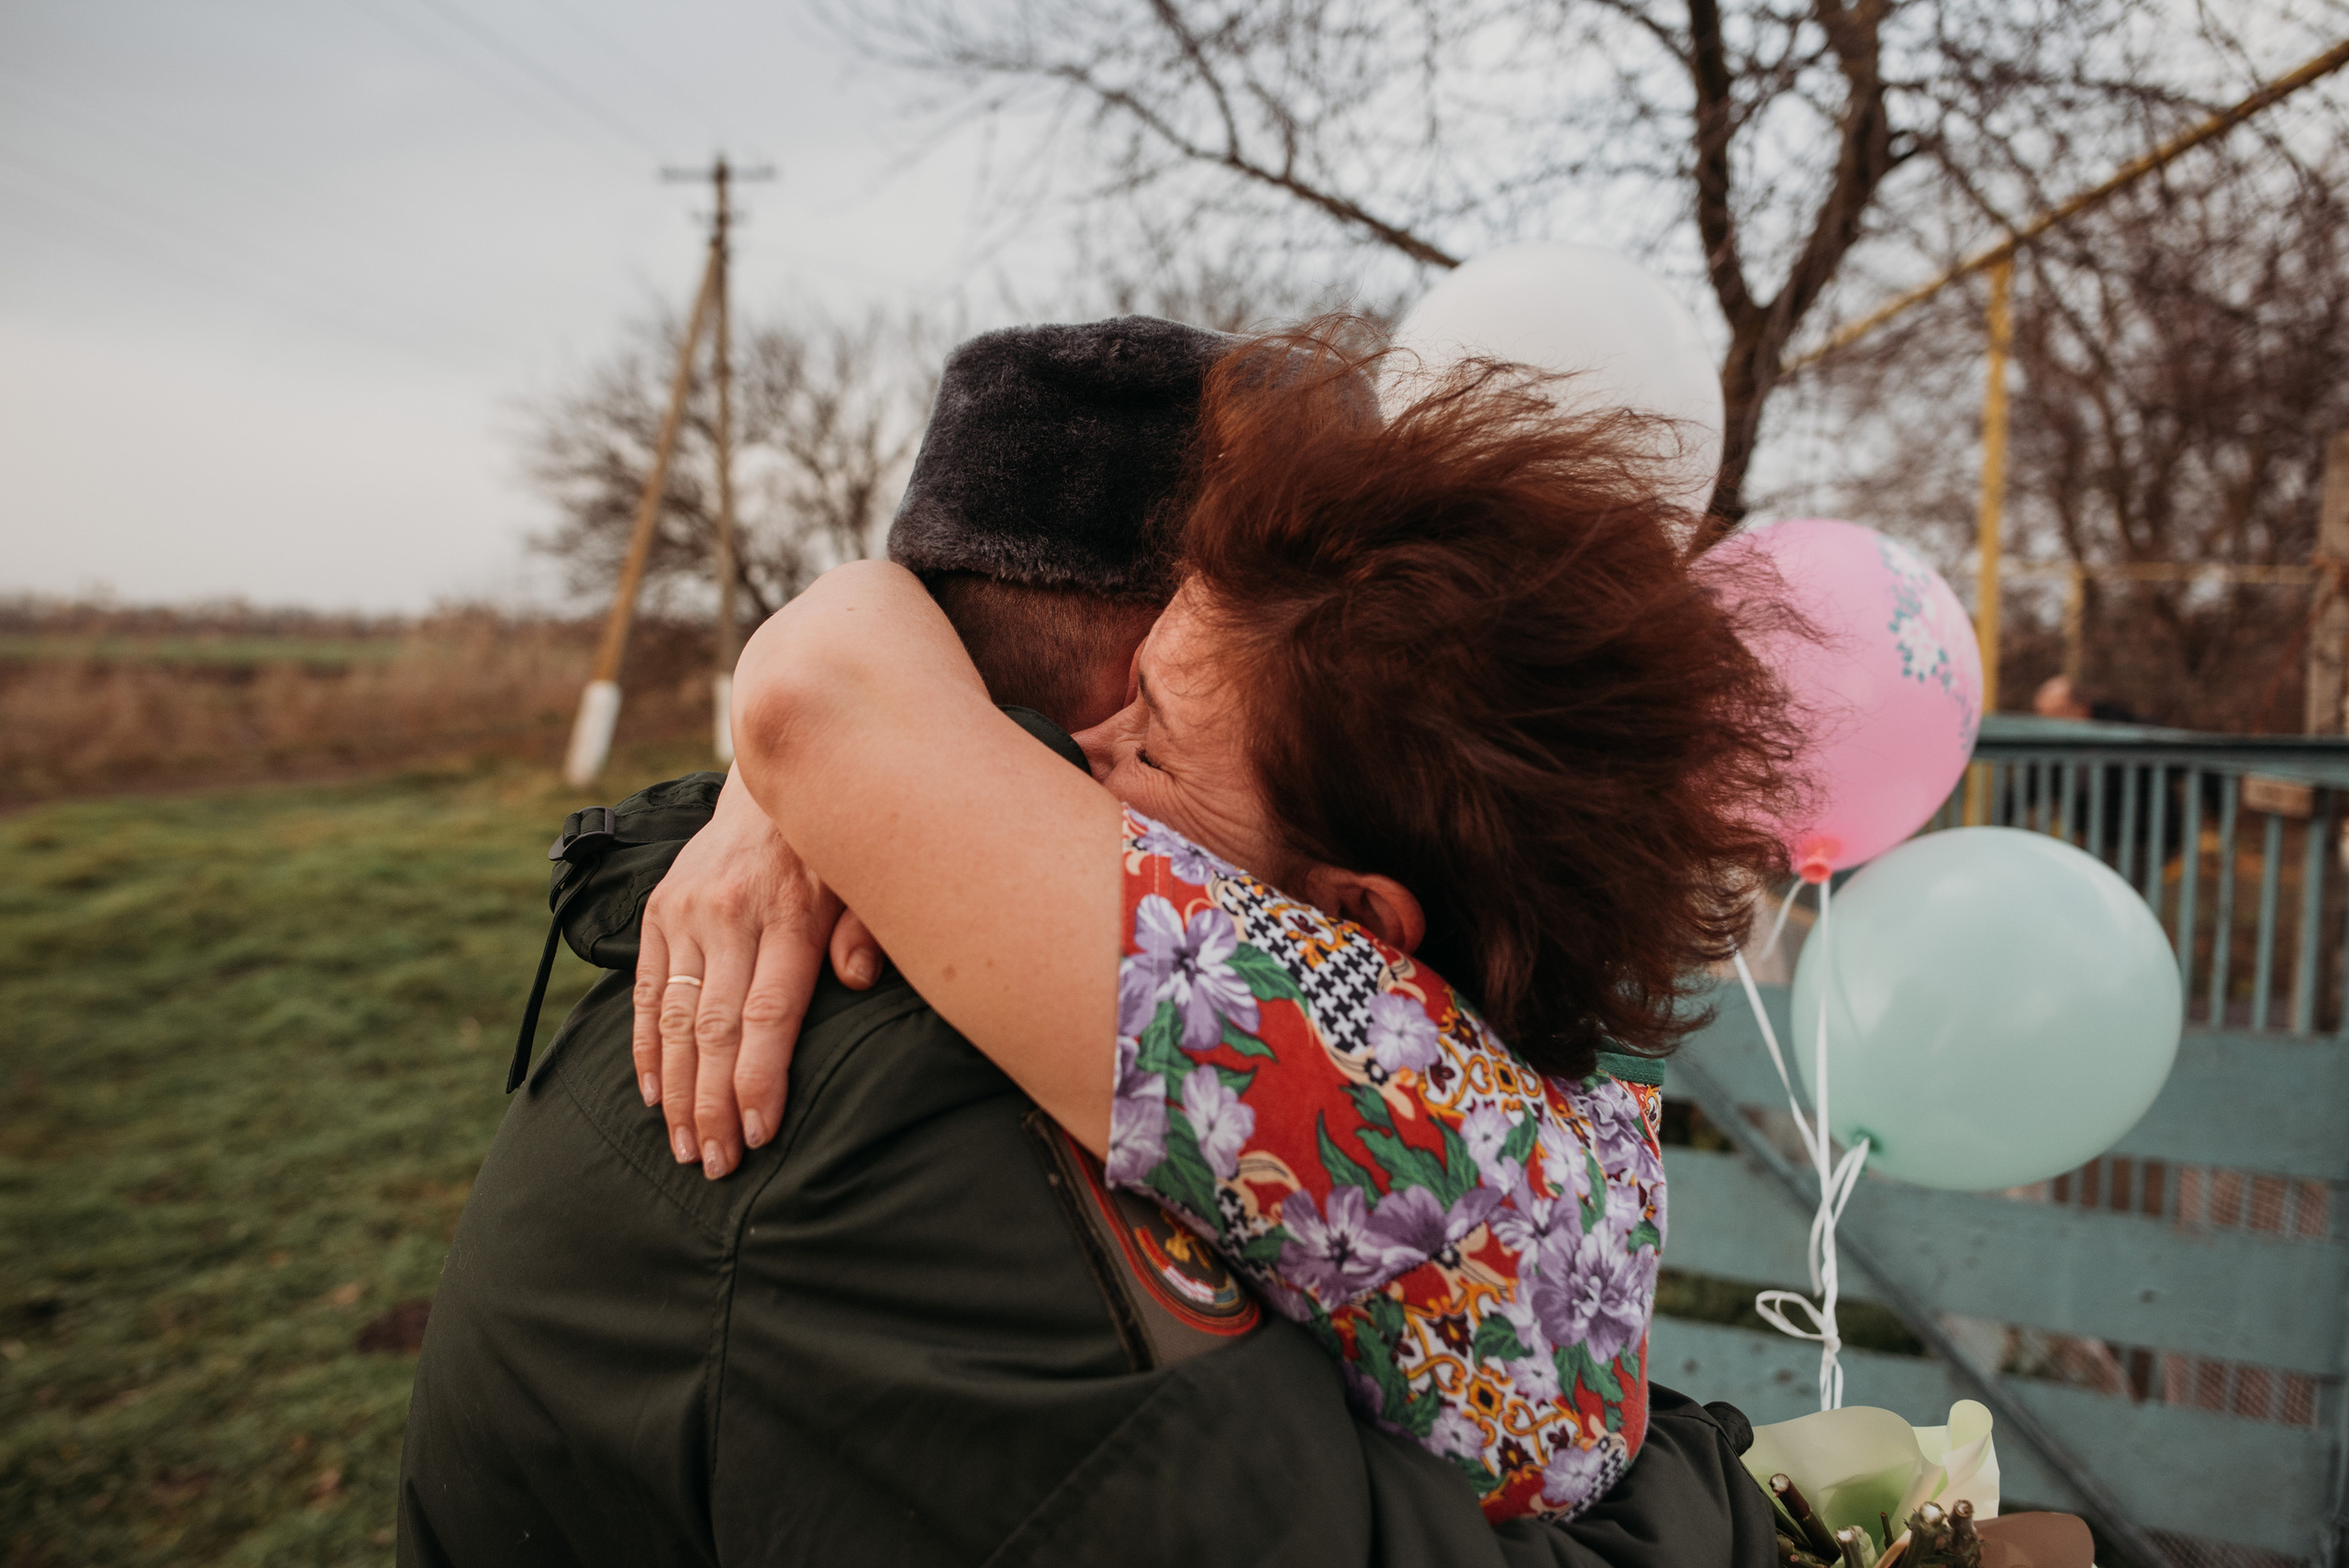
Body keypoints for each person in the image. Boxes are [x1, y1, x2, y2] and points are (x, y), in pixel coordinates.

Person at [397, 316, 1781, 1565]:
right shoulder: (1488, 1062)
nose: (1095, 764)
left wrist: (791, 775)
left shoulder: (1290, 1030)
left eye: (1158, 744)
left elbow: (822, 699)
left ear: (1363, 914)